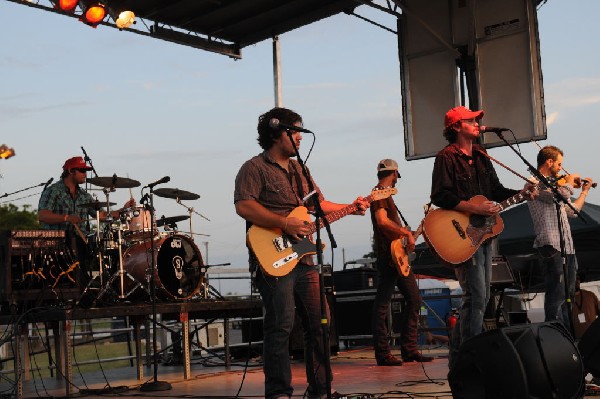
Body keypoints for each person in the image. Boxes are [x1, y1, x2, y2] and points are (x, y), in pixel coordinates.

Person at [234, 107, 369, 399]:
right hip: (271, 259)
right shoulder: (253, 168)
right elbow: (244, 205)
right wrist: (284, 222)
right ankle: (279, 393)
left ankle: (320, 390)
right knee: (281, 326)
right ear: (277, 132)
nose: (300, 138)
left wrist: (352, 205)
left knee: (321, 321)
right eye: (295, 132)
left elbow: (319, 205)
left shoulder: (300, 170)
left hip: (304, 258)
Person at [430, 106, 536, 355]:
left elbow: (496, 191)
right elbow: (439, 195)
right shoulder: (446, 157)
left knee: (482, 297)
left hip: (484, 235)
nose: (478, 123)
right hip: (462, 234)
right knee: (475, 298)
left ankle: (463, 354)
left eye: (477, 120)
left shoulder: (481, 155)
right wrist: (472, 207)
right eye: (471, 120)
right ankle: (470, 356)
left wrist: (522, 194)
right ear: (456, 127)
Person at [370, 158, 433, 366]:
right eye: (397, 176)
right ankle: (383, 353)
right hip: (388, 258)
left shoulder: (387, 196)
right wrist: (405, 231)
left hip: (397, 256)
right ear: (394, 174)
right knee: (382, 306)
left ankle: (409, 349)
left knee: (414, 300)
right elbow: (381, 221)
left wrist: (414, 233)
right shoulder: (379, 193)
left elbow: (393, 229)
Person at [38, 156, 135, 286]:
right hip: (56, 243)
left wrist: (123, 209)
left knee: (84, 265)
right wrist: (66, 218)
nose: (85, 174)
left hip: (79, 241)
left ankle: (84, 293)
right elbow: (42, 215)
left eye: (86, 171)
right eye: (82, 171)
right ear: (71, 171)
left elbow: (101, 215)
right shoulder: (53, 191)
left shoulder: (84, 195)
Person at [527, 145, 593, 328]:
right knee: (556, 294)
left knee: (567, 294)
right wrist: (569, 182)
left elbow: (572, 210)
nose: (560, 168)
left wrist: (584, 192)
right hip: (551, 245)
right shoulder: (535, 182)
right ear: (549, 162)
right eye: (559, 164)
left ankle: (564, 335)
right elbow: (561, 194)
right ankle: (554, 334)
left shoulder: (555, 186)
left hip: (567, 247)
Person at [572, 273, 600, 340]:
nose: (577, 281)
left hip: (594, 337)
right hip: (576, 341)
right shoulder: (564, 301)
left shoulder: (590, 295)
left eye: (578, 278)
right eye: (573, 278)